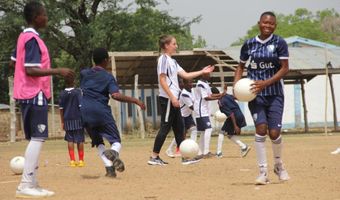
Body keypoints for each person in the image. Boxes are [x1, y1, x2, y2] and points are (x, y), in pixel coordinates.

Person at [11, 1, 75, 198]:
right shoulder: (32, 39)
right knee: (38, 138)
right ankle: (25, 184)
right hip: (33, 92)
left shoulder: (24, 37)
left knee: (35, 138)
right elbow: (30, 69)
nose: (46, 17)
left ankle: (32, 182)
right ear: (36, 17)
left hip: (26, 92)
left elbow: (15, 61)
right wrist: (59, 71)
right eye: (44, 14)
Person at [234, 11, 290, 185]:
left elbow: (285, 68)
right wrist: (236, 86)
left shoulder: (279, 42)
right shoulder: (249, 44)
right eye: (265, 23)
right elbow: (240, 67)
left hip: (274, 94)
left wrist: (266, 83)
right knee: (260, 129)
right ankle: (263, 172)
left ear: (275, 26)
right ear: (259, 23)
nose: (268, 26)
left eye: (271, 24)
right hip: (255, 95)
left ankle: (279, 165)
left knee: (274, 133)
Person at [147, 35, 214, 166]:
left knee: (179, 128)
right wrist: (172, 97)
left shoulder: (173, 61)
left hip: (174, 99)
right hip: (167, 99)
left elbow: (186, 75)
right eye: (174, 44)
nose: (176, 46)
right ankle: (154, 157)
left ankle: (185, 157)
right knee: (165, 127)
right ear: (166, 46)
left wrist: (202, 71)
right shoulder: (163, 59)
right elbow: (162, 80)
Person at [80, 47, 145, 178]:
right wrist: (135, 100)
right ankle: (114, 153)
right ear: (106, 60)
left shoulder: (84, 73)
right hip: (100, 111)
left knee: (99, 143)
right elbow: (115, 95)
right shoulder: (108, 77)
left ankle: (110, 170)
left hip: (84, 111)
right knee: (116, 142)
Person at [211, 86, 251, 158]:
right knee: (229, 135)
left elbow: (231, 114)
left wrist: (235, 126)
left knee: (221, 132)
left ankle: (219, 153)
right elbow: (236, 97)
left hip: (234, 117)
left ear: (213, 94)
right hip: (240, 114)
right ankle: (243, 147)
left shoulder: (221, 102)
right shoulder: (227, 95)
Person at [165, 78, 198, 158]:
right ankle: (169, 149)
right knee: (181, 134)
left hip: (188, 115)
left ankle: (191, 149)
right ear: (185, 84)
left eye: (192, 82)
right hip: (182, 115)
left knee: (193, 130)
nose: (191, 84)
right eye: (189, 83)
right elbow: (192, 107)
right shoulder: (184, 94)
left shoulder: (192, 91)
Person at [194, 73, 222, 159]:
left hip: (203, 111)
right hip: (201, 110)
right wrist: (219, 97)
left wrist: (221, 95)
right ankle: (206, 152)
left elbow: (210, 95)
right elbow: (206, 97)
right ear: (203, 75)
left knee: (203, 132)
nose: (210, 76)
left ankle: (200, 153)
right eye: (208, 74)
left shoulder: (206, 83)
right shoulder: (200, 84)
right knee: (209, 129)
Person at [59, 78, 85, 167]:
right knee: (80, 140)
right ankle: (81, 161)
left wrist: (62, 121)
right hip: (78, 119)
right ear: (73, 81)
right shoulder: (77, 92)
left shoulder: (62, 93)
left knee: (70, 140)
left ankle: (72, 161)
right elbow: (81, 106)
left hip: (67, 120)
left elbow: (61, 109)